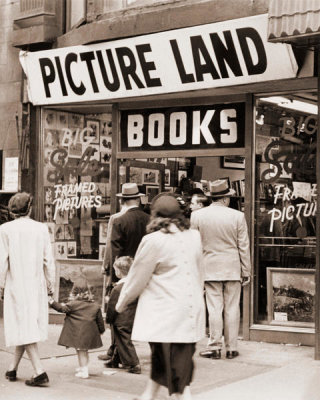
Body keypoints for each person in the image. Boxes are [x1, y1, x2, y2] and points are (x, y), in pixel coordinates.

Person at [116, 195, 205, 400]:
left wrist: (120, 304)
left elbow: (137, 278)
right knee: (169, 362)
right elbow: (200, 272)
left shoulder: (153, 241)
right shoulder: (194, 236)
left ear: (154, 216)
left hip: (164, 315)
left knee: (173, 370)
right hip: (189, 313)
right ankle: (148, 396)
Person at [191, 179, 251, 360]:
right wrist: (246, 271)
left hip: (209, 267)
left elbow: (194, 245)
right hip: (232, 267)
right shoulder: (237, 216)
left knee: (214, 308)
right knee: (232, 308)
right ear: (225, 199)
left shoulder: (198, 216)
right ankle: (232, 347)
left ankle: (215, 346)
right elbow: (243, 246)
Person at [0, 192, 55, 386]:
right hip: (36, 284)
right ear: (29, 208)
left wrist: (1, 286)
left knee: (23, 324)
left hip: (16, 283)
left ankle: (39, 371)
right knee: (27, 324)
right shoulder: (41, 228)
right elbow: (49, 260)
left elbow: (2, 261)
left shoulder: (5, 229)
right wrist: (51, 285)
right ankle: (12, 368)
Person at [98, 182, 149, 362]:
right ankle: (118, 350)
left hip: (125, 271)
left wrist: (114, 276)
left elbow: (115, 251)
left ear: (123, 201)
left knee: (118, 313)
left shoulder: (119, 220)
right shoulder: (148, 218)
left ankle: (115, 350)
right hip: (144, 271)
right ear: (138, 198)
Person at [48, 277, 105, 379]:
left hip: (78, 334)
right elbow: (100, 321)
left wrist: (51, 301)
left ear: (74, 292)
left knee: (81, 352)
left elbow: (61, 309)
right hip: (90, 334)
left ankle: (84, 371)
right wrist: (101, 331)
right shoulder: (95, 306)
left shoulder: (73, 305)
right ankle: (83, 367)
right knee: (84, 351)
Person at [104, 256, 140, 374]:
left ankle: (134, 363)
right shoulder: (134, 285)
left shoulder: (118, 288)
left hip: (120, 319)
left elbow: (112, 306)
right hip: (131, 317)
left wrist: (108, 319)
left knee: (123, 341)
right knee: (119, 340)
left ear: (119, 271)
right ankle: (115, 359)